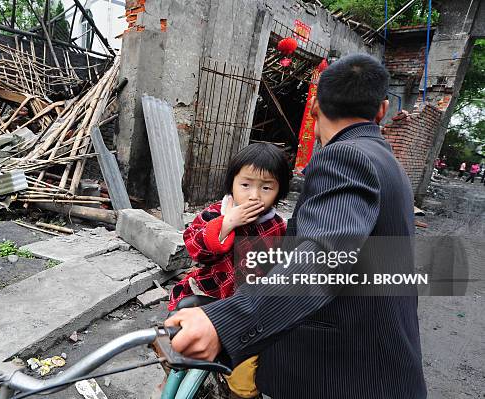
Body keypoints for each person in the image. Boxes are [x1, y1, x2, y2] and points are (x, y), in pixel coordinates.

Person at [166, 53, 427, 399]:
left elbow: (324, 256)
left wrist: (224, 322)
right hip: (376, 365)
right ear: (381, 111)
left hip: (345, 375)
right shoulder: (388, 163)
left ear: (315, 105)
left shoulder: (345, 156)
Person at [169, 143, 290, 398]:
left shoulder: (277, 226)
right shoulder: (216, 213)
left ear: (279, 192)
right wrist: (226, 225)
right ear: (232, 183)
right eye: (245, 185)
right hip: (211, 296)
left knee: (244, 377)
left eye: (266, 187)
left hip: (244, 308)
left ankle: (237, 391)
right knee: (177, 347)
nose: (254, 195)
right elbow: (194, 246)